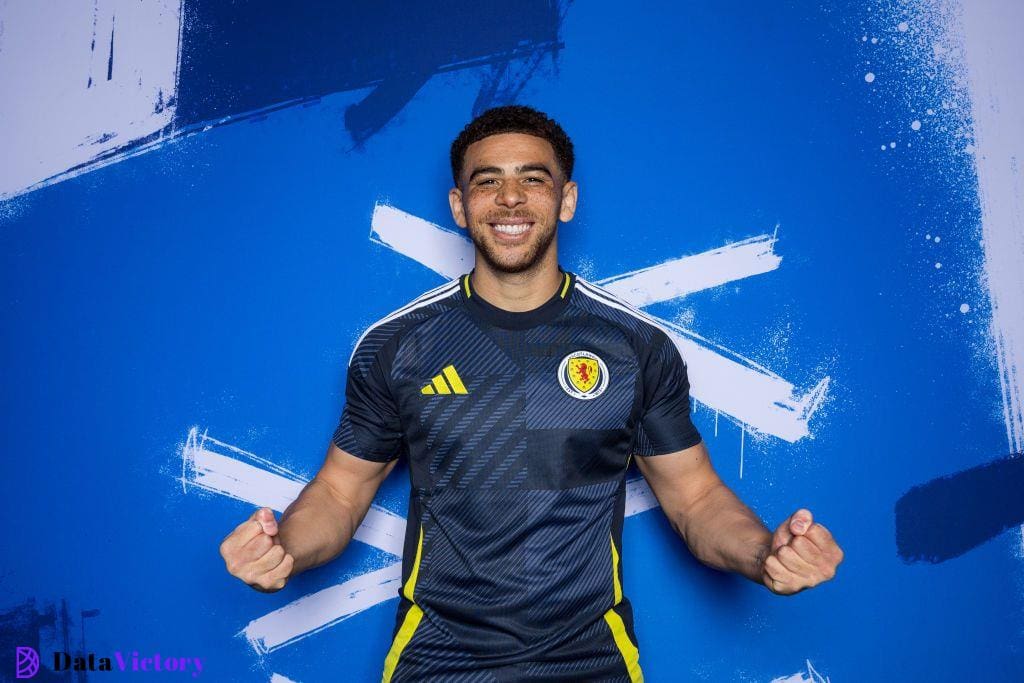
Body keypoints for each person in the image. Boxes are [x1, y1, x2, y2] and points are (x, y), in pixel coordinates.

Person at [218, 105, 844, 682]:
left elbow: (697, 499)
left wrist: (765, 553)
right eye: (487, 181)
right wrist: (286, 551)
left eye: (533, 179)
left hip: (591, 659)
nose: (509, 198)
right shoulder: (397, 346)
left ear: (566, 200)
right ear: (459, 206)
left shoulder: (635, 348)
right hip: (437, 658)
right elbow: (339, 490)